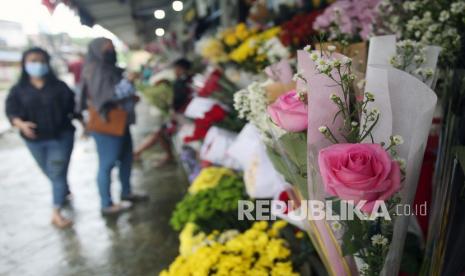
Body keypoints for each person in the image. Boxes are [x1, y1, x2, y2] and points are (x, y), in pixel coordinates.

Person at [5, 47, 76, 228]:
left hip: (61, 137)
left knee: (57, 172)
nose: (38, 65)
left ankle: (56, 211)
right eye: (33, 61)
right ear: (25, 64)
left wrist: (84, 124)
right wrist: (20, 124)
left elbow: (72, 108)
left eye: (41, 61)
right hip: (34, 140)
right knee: (50, 173)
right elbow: (11, 112)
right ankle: (63, 191)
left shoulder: (59, 86)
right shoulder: (18, 90)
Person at [79, 37, 146, 216]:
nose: (111, 52)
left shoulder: (109, 69)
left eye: (112, 48)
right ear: (96, 51)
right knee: (107, 163)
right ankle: (106, 204)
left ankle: (126, 192)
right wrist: (129, 81)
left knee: (126, 159)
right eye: (106, 49)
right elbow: (108, 96)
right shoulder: (96, 70)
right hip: (107, 123)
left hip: (120, 120)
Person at [133, 58, 193, 165]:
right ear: (179, 68)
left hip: (154, 108)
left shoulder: (167, 74)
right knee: (158, 132)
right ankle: (137, 153)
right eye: (184, 71)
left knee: (159, 132)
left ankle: (164, 155)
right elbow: (163, 96)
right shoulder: (170, 77)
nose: (184, 74)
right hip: (155, 109)